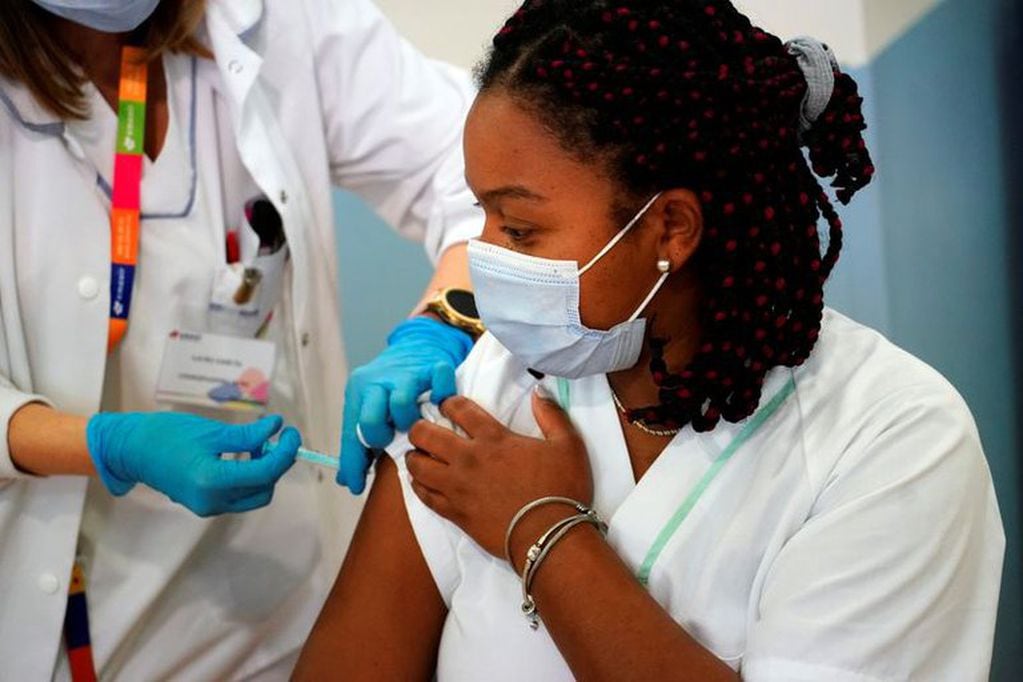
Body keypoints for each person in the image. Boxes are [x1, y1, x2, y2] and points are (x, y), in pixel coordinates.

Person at [296, 1, 1006, 679]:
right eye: (481, 215)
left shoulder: (892, 439)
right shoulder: (491, 385)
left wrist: (542, 530)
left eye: (519, 229)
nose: (486, 258)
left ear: (670, 227)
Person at [0, 0, 481, 678]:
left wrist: (439, 326)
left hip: (277, 615)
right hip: (58, 624)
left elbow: (491, 167)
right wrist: (109, 446)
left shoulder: (277, 19)